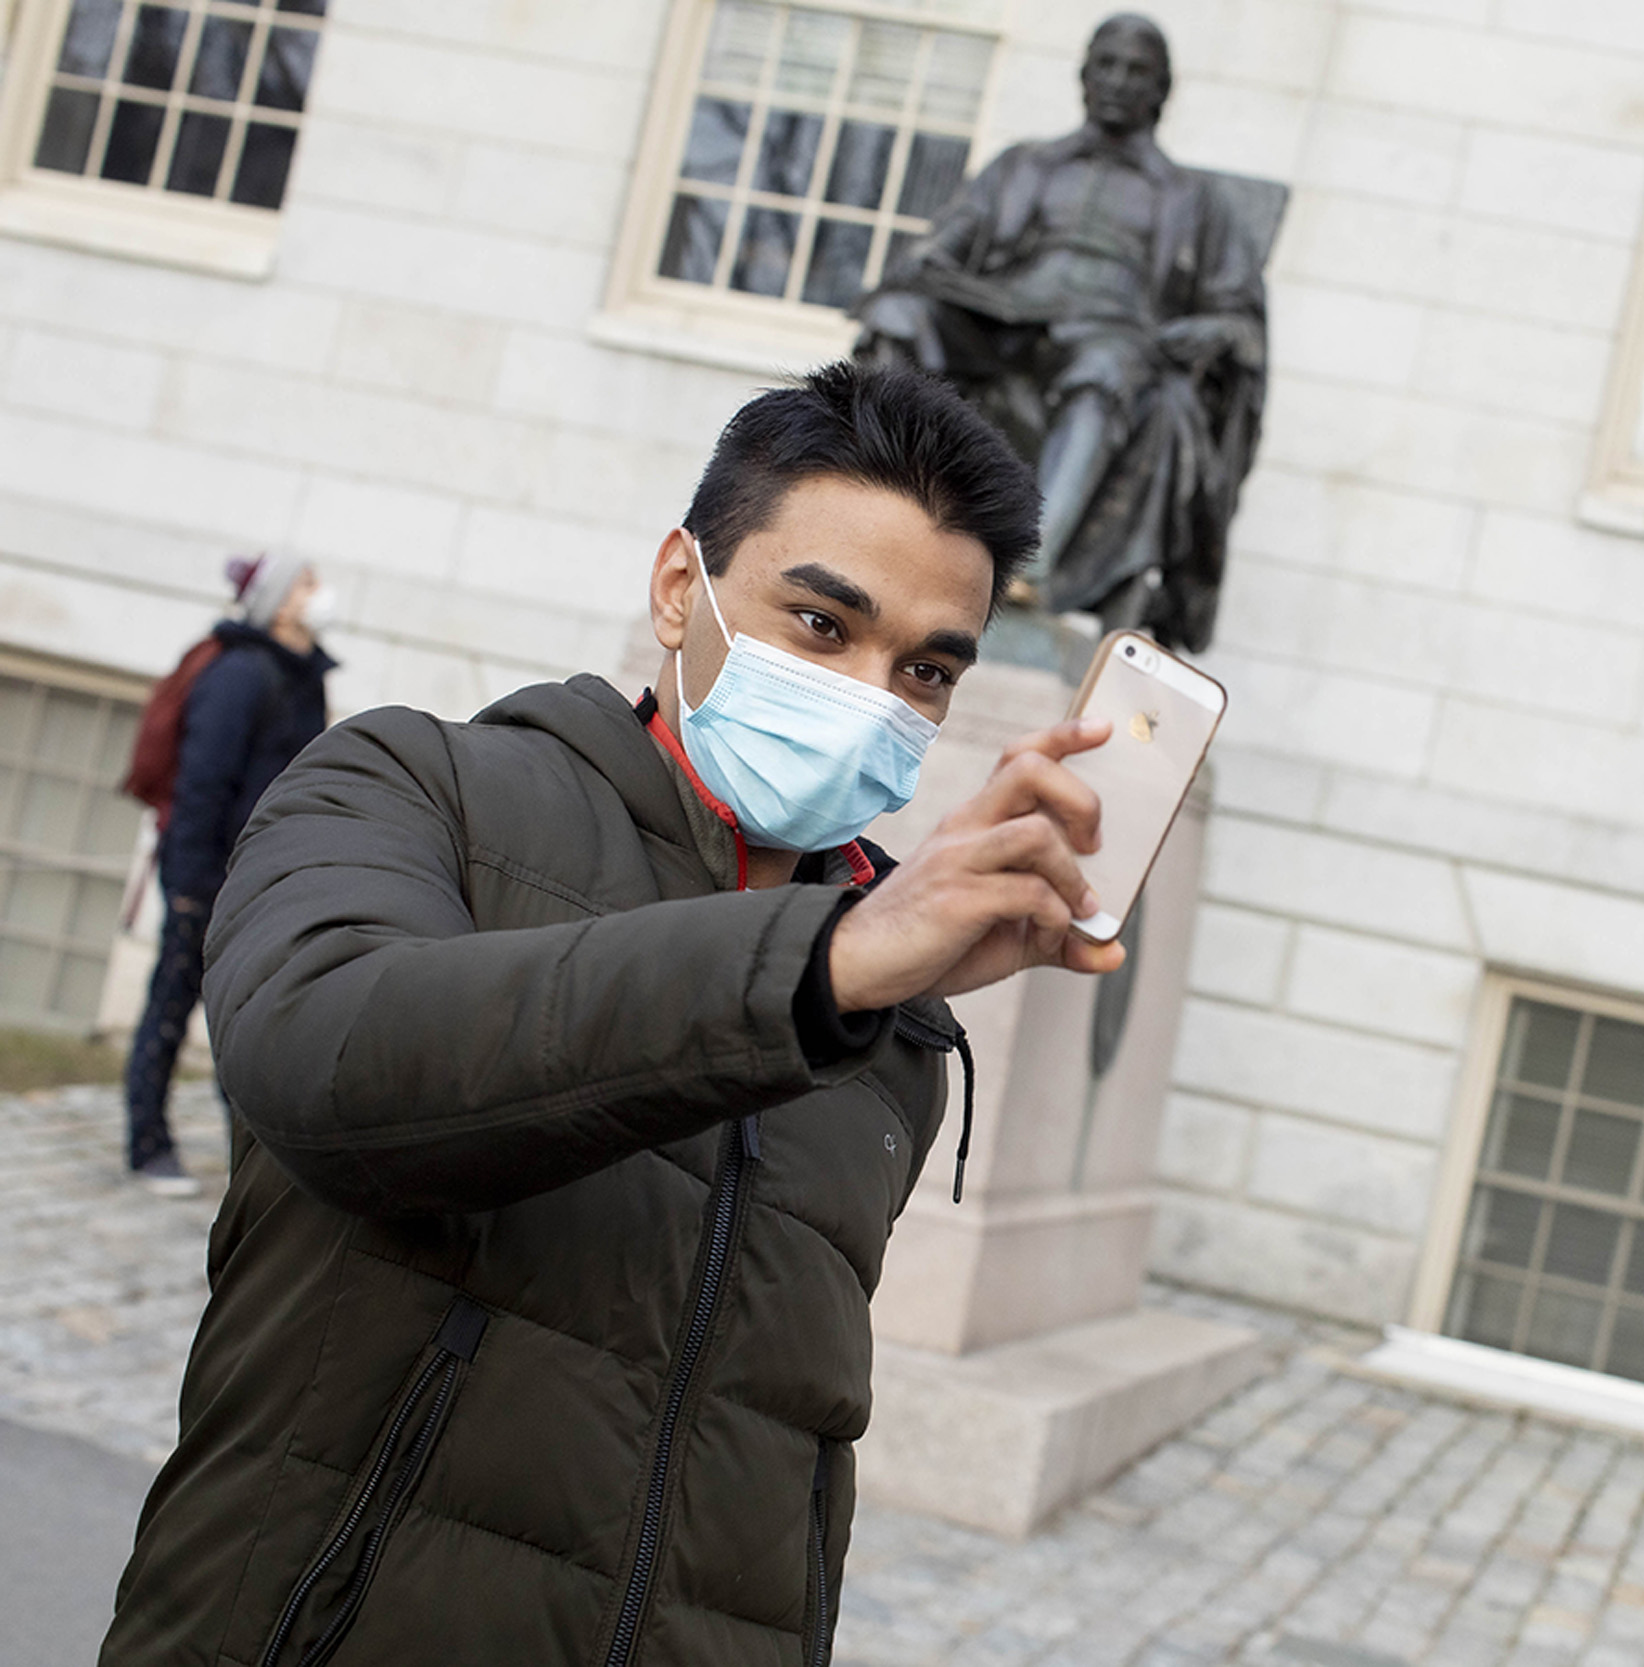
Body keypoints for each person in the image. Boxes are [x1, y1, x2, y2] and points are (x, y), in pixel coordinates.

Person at [100, 364, 1122, 1666]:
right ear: (680, 586)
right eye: (821, 624)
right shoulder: (414, 783)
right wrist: (819, 966)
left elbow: (790, 1433)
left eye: (924, 669)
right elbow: (323, 1060)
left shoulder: (891, 1022)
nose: (873, 694)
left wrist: (849, 971)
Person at [852, 11, 1266, 651]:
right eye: (1107, 65)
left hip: (1110, 335)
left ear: (1161, 90)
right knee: (898, 316)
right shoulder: (1023, 165)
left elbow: (1239, 315)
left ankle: (1028, 561)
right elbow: (944, 245)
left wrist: (1212, 332)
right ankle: (872, 518)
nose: (1119, 81)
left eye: (1137, 71)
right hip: (1002, 323)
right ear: (1083, 75)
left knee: (1105, 368)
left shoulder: (1195, 199)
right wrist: (929, 266)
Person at [124, 554, 335, 1197]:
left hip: (261, 873)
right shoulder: (242, 674)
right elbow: (203, 783)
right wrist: (191, 886)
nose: (319, 593)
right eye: (305, 583)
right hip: (208, 871)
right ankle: (148, 1145)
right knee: (174, 1003)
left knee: (248, 1014)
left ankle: (249, 1162)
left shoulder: (304, 676)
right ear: (278, 601)